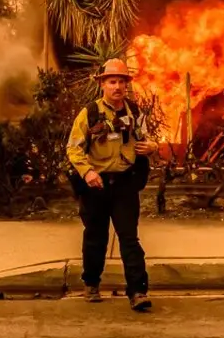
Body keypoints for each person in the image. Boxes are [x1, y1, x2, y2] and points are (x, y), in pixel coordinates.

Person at [66, 58, 159, 312]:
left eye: (121, 82)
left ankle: (138, 292)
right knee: (96, 237)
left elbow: (147, 140)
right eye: (112, 81)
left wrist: (152, 147)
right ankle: (92, 284)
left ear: (127, 86)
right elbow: (73, 149)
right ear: (103, 85)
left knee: (129, 238)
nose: (117, 86)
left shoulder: (135, 113)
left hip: (125, 185)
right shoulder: (90, 113)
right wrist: (87, 173)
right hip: (96, 186)